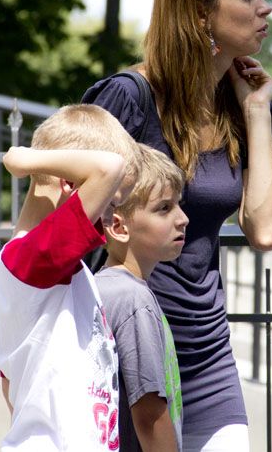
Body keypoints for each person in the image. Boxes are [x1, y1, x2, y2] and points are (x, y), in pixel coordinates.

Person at [83, 0, 272, 451]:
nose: (264, 8)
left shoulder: (242, 104)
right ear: (201, 16)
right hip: (128, 355)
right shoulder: (128, 99)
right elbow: (69, 215)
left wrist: (258, 111)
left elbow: (264, 229)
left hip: (207, 355)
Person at [0, 104, 139, 451]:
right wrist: (24, 160)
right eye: (109, 202)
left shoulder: (49, 269)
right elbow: (109, 167)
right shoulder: (35, 259)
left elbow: (9, 383)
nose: (110, 216)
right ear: (73, 184)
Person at [96, 144, 189, 452]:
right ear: (119, 227)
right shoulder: (133, 299)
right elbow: (149, 412)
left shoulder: (100, 286)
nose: (183, 218)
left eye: (178, 204)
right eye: (164, 208)